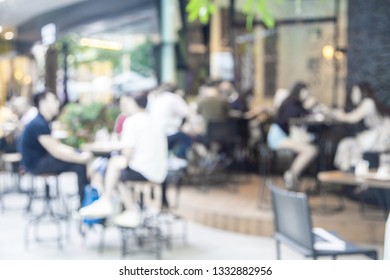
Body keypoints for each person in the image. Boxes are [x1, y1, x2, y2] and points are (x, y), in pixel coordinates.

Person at [79, 92, 168, 226]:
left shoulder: (132, 121)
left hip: (143, 172)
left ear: (133, 103)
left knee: (113, 167)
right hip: (160, 173)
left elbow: (127, 153)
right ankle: (127, 208)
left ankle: (115, 204)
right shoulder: (154, 120)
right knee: (117, 170)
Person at [19, 90, 92, 205]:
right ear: (43, 103)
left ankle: (85, 200)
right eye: (54, 100)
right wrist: (81, 158)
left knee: (79, 155)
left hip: (41, 159)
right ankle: (84, 204)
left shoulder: (42, 121)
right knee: (79, 165)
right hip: (35, 164)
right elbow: (56, 152)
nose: (58, 103)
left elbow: (57, 146)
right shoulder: (38, 124)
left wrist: (76, 152)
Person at [266, 82, 318, 189]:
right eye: (304, 92)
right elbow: (292, 121)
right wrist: (308, 108)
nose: (306, 95)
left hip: (281, 135)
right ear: (298, 91)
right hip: (277, 137)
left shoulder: (293, 103)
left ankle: (293, 177)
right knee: (310, 150)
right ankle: (290, 175)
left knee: (311, 148)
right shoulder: (291, 104)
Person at [333, 82, 390, 171]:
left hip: (383, 135)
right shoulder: (366, 103)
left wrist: (338, 115)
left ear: (362, 92)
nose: (352, 95)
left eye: (355, 92)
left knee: (349, 145)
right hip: (378, 134)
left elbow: (352, 118)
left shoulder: (368, 102)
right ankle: (352, 171)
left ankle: (351, 171)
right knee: (350, 144)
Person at [147, 84, 192, 160]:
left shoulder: (157, 98)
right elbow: (188, 112)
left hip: (155, 133)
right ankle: (178, 158)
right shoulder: (174, 97)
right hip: (169, 132)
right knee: (189, 140)